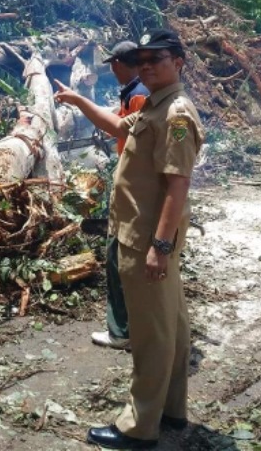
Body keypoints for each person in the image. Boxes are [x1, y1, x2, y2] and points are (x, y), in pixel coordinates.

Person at [54, 28, 205, 449]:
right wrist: (80, 101)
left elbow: (178, 186)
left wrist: (159, 247)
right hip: (147, 236)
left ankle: (139, 427)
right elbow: (117, 124)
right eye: (142, 60)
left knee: (149, 334)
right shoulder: (155, 107)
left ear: (178, 61)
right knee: (170, 325)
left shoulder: (175, 113)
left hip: (147, 240)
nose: (147, 65)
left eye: (156, 58)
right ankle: (171, 411)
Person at [91, 41, 149, 351]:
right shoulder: (135, 91)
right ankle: (134, 326)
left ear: (123, 63)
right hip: (135, 182)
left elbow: (125, 130)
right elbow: (122, 121)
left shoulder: (140, 95)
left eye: (114, 63)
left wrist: (79, 102)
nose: (111, 69)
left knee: (117, 256)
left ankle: (122, 330)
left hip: (133, 184)